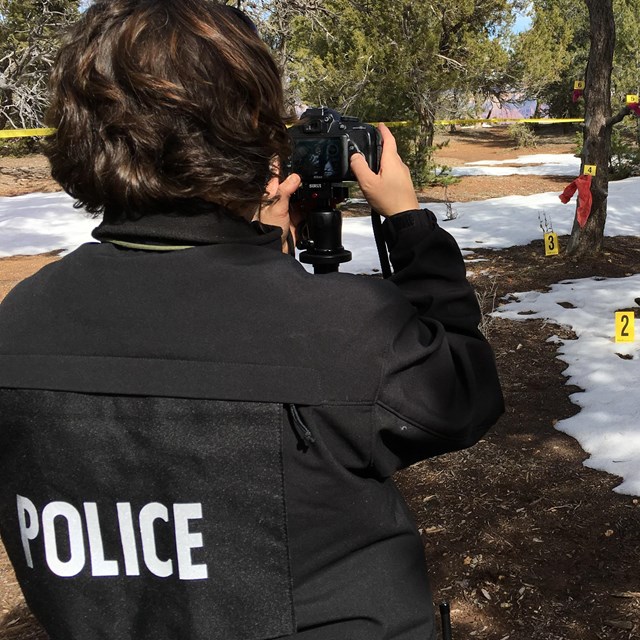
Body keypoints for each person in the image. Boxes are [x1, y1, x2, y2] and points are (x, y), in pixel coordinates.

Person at [0, 1, 504, 639]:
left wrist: (255, 244)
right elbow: (466, 392)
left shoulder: (18, 324)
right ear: (251, 136)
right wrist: (407, 221)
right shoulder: (344, 330)